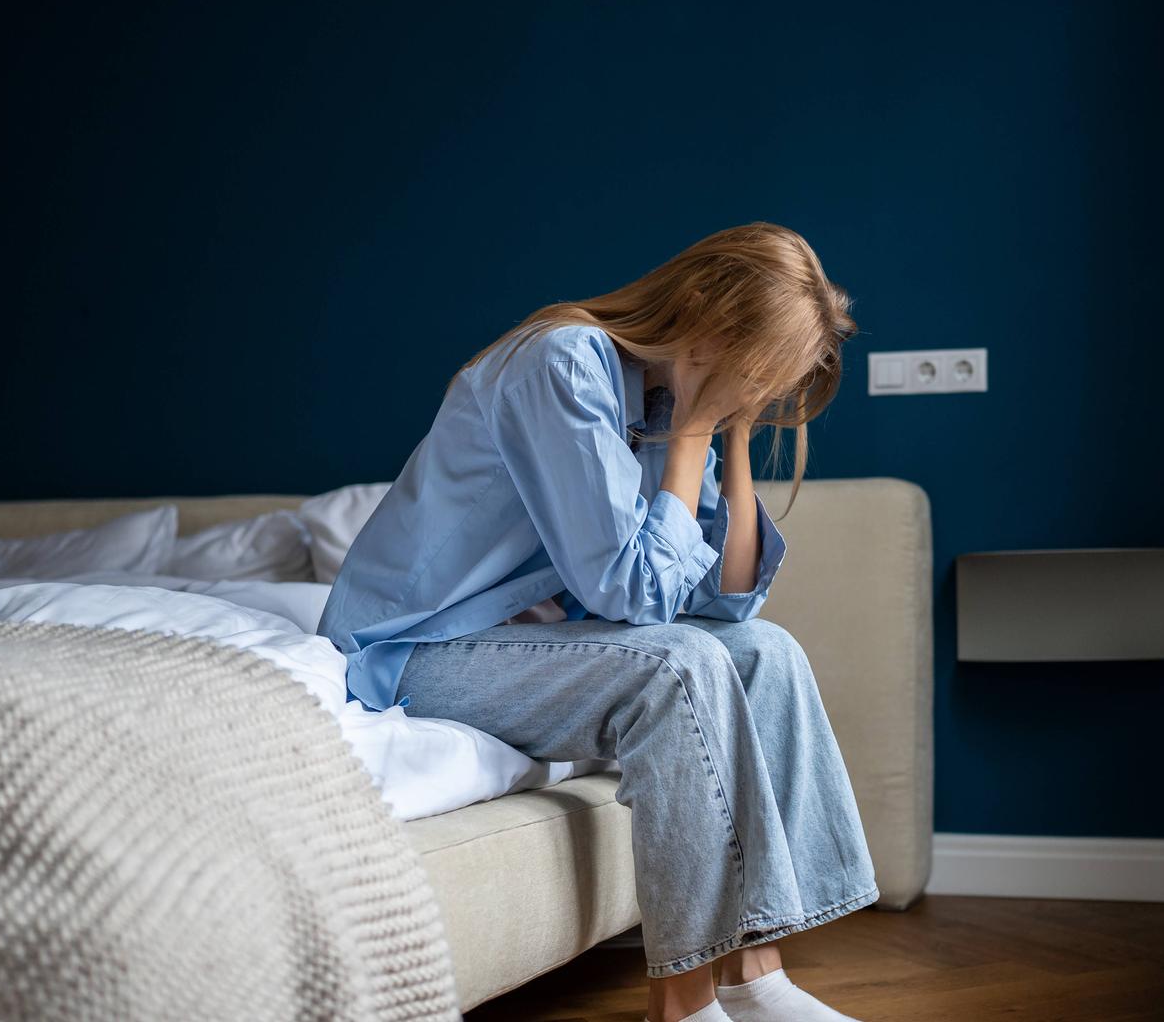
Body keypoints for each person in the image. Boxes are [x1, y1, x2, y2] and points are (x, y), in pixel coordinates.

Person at [318, 223, 874, 1022]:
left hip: (532, 641)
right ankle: (681, 1007)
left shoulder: (663, 398)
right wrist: (692, 429)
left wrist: (732, 428)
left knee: (766, 654)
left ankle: (756, 982)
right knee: (679, 664)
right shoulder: (563, 363)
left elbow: (727, 595)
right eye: (758, 375)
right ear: (710, 323)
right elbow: (634, 594)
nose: (758, 395)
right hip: (424, 646)